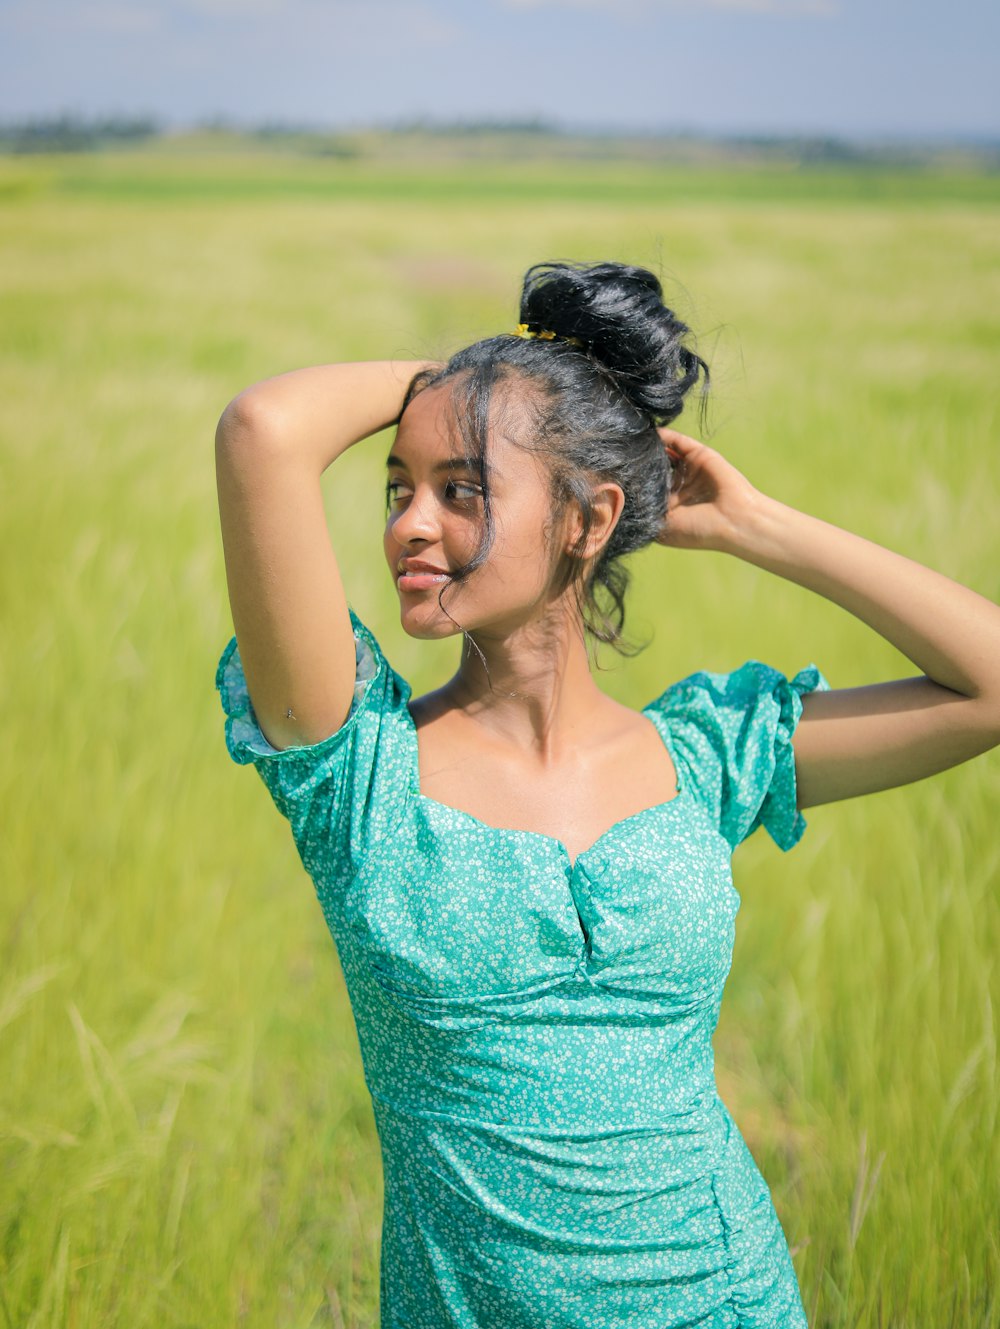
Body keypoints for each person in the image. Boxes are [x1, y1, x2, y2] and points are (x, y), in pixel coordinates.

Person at [214, 260, 1000, 1328]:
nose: (406, 523)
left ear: (590, 520)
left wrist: (755, 525)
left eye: (463, 488)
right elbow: (265, 431)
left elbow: (987, 685)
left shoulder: (705, 758)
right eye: (398, 487)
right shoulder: (359, 774)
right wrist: (492, 385)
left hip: (732, 1301)